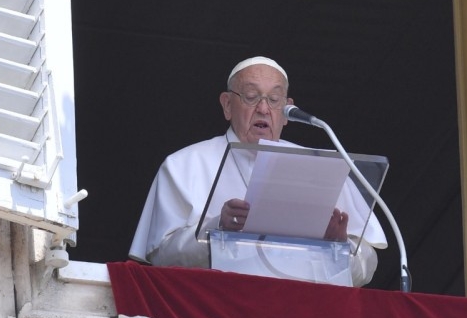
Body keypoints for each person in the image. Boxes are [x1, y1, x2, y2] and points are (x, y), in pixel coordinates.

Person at [129, 56, 387, 286]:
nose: (263, 109)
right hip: (218, 311)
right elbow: (160, 257)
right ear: (227, 105)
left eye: (274, 100)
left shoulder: (322, 165)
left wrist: (338, 248)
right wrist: (217, 229)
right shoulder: (184, 164)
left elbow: (367, 266)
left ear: (286, 111)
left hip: (303, 314)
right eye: (251, 97)